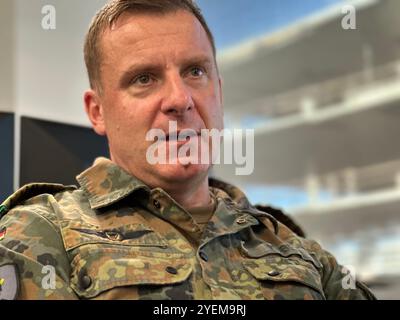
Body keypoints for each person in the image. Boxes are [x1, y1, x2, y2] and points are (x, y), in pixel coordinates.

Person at [0, 0, 376, 300]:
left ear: (220, 92)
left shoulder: (296, 249)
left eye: (195, 71)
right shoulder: (39, 235)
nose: (180, 99)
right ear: (97, 111)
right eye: (144, 78)